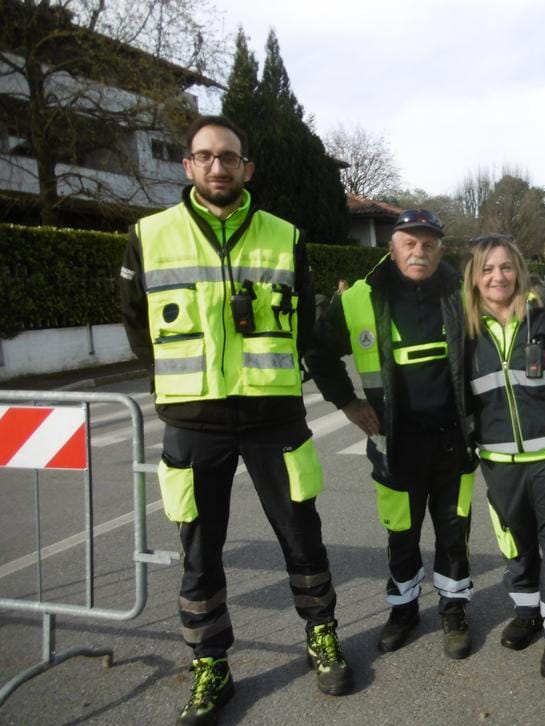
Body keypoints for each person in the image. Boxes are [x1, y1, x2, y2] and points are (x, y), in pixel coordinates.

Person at [119, 115, 354, 724]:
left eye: (229, 156)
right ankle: (211, 667)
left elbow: (306, 330)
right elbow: (136, 326)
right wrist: (179, 383)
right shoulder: (148, 235)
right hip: (194, 420)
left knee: (302, 535)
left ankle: (321, 637)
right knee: (200, 550)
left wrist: (345, 395)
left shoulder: (286, 236)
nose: (217, 166)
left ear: (246, 168)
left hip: (274, 414)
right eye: (205, 156)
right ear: (188, 166)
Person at [311, 210, 545, 661]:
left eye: (428, 244)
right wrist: (348, 403)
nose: (419, 251)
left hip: (453, 441)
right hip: (393, 444)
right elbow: (318, 350)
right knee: (400, 532)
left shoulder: (461, 292)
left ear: (440, 248)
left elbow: (512, 288)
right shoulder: (359, 298)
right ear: (392, 247)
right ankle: (403, 610)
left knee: (454, 532)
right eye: (409, 243)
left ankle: (454, 610)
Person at [462, 235, 545, 679]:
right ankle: (528, 611)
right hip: (499, 457)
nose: (497, 277)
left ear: (519, 270)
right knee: (513, 539)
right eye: (486, 270)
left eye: (505, 267)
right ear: (474, 278)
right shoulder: (464, 328)